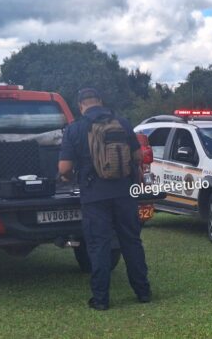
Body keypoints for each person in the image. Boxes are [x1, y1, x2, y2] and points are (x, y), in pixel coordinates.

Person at [58, 88, 151, 311]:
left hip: (94, 196)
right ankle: (143, 292)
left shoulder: (75, 129)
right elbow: (138, 157)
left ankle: (100, 299)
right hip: (124, 192)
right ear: (100, 101)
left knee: (99, 246)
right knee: (131, 242)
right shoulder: (123, 123)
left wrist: (68, 177)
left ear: (80, 105)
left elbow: (65, 167)